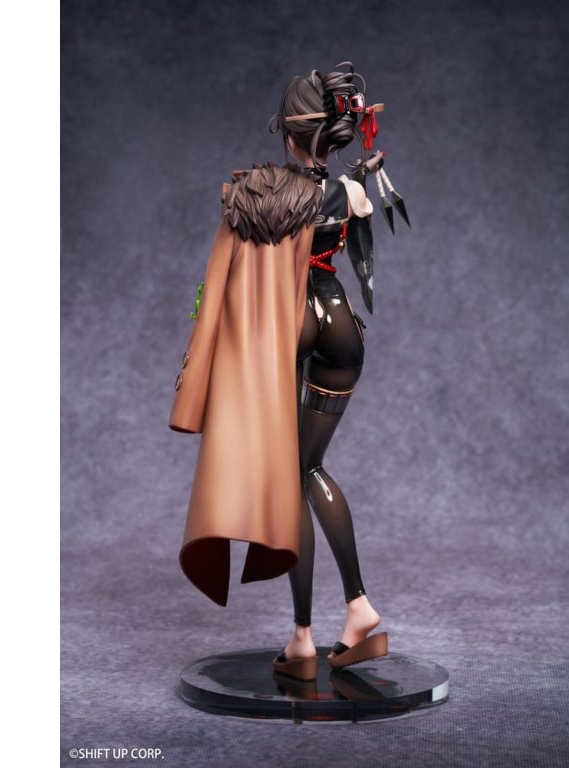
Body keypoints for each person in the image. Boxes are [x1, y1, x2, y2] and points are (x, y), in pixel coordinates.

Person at [170, 62, 392, 682]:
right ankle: (356, 608)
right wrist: (353, 180)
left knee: (295, 476)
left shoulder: (262, 193)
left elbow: (248, 262)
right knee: (307, 468)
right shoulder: (349, 192)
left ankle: (304, 637)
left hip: (292, 325)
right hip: (341, 326)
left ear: (291, 136)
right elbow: (345, 230)